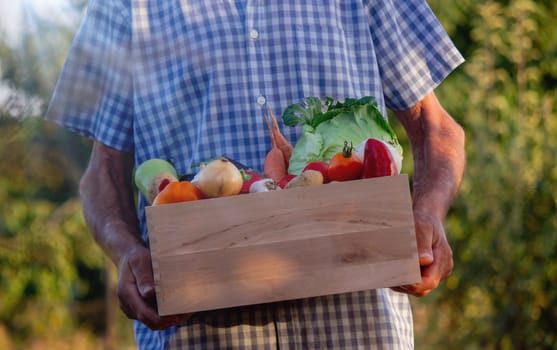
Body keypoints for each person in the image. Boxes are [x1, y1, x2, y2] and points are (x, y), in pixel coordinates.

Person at [45, 1, 465, 349]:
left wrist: (428, 213)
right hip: (196, 334)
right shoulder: (123, 7)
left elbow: (437, 130)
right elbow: (102, 176)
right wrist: (126, 253)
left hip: (359, 330)